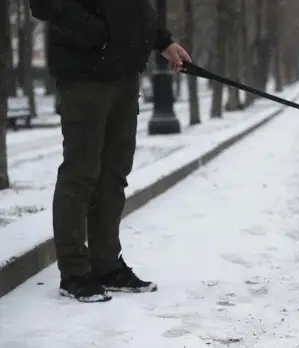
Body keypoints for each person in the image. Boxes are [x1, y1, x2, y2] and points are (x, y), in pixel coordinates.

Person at [29, 0, 192, 303]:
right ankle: (75, 273)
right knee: (81, 174)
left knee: (113, 174)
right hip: (84, 73)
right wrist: (97, 33)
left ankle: (106, 267)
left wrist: (163, 41)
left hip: (124, 73)